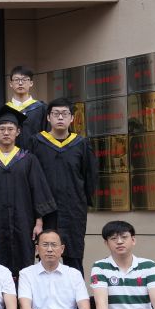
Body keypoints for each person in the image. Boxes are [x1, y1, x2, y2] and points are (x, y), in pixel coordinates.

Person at [0, 105, 56, 278]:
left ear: (18, 132)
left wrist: (39, 223)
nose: (6, 133)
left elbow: (38, 191)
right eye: (2, 129)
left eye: (10, 129)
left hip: (24, 221)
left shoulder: (28, 159)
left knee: (24, 265)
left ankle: (23, 295)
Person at [29, 98, 98, 273]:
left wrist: (81, 201)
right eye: (56, 114)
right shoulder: (36, 143)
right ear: (48, 117)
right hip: (45, 210)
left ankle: (75, 291)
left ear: (72, 118)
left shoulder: (81, 144)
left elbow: (90, 176)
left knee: (74, 257)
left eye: (65, 114)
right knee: (45, 256)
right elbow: (31, 178)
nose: (60, 117)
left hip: (73, 210)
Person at [6, 65, 46, 146]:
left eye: (24, 79)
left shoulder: (42, 108)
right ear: (10, 84)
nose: (20, 83)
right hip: (11, 153)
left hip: (36, 151)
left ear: (31, 83)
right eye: (16, 80)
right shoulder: (5, 110)